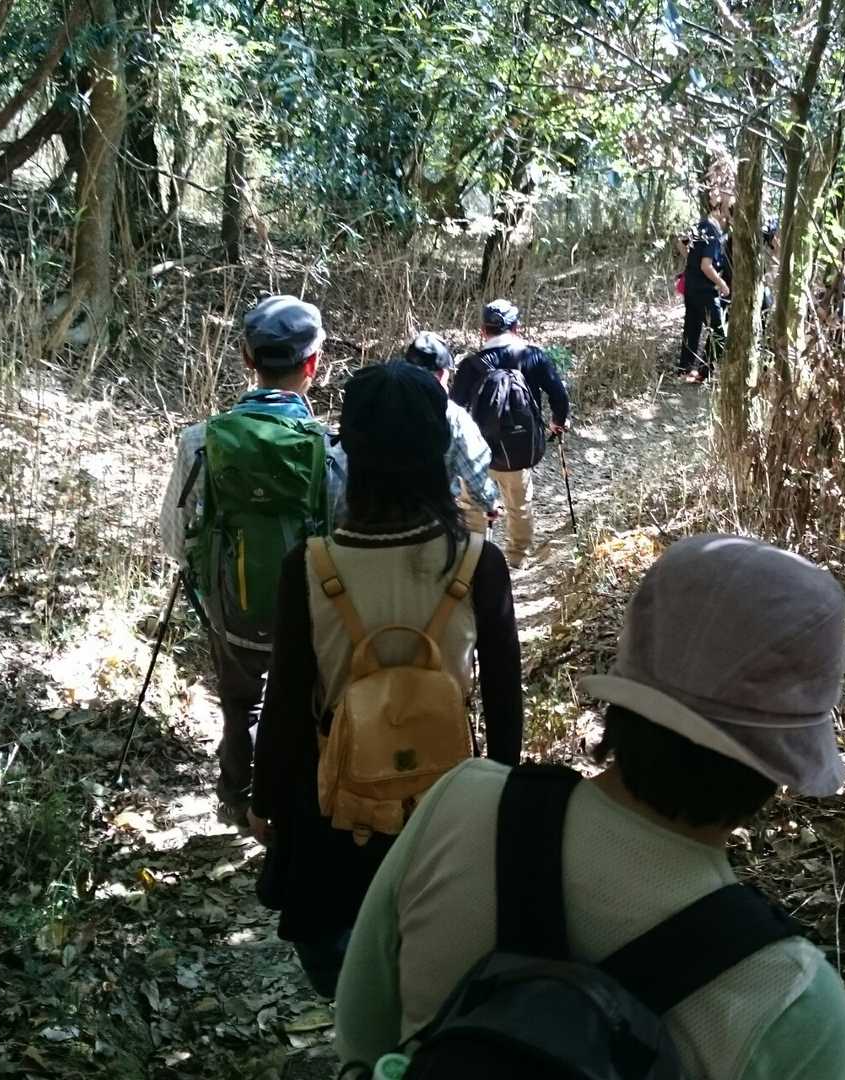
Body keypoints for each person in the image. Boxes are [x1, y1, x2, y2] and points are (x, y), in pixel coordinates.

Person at [335, 534, 845, 1079]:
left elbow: (361, 1037)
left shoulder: (462, 806)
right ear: (782, 763)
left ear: (622, 697)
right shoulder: (793, 1000)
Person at [249, 361, 524, 999]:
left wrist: (266, 801)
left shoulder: (309, 567)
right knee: (434, 977)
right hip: (445, 808)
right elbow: (504, 698)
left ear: (351, 450)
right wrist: (505, 798)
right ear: (438, 448)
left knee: (345, 978)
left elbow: (286, 701)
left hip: (335, 812)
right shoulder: (478, 563)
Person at [158, 294, 344, 820]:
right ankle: (292, 806)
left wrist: (208, 583)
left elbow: (174, 538)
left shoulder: (201, 441)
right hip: (310, 613)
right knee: (304, 703)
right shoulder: (331, 450)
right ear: (313, 364)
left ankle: (236, 796)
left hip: (230, 610)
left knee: (239, 702)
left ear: (247, 358)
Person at [450, 299, 570, 569]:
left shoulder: (471, 365)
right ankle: (517, 557)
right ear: (516, 328)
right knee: (519, 504)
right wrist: (558, 422)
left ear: (483, 331)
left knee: (472, 504)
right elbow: (559, 395)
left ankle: (474, 560)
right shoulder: (533, 356)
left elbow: (454, 407)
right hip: (518, 449)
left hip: (478, 451)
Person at [399, 331, 500, 534]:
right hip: (430, 521)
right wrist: (490, 504)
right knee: (484, 552)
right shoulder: (453, 416)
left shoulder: (382, 402)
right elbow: (475, 474)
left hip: (372, 516)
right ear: (443, 374)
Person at [679, 192, 732, 384]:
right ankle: (702, 373)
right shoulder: (713, 230)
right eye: (727, 209)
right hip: (705, 289)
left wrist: (691, 260)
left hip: (691, 285)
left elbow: (681, 242)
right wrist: (722, 284)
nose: (728, 214)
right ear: (719, 209)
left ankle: (685, 371)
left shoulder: (700, 225)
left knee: (692, 328)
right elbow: (706, 265)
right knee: (719, 333)